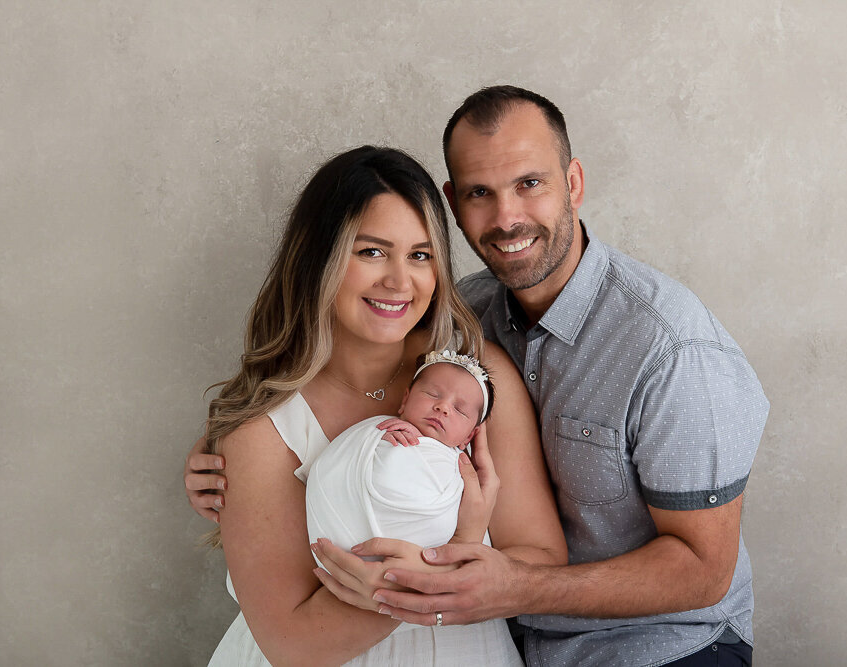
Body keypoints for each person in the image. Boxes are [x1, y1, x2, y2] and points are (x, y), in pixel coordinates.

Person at [188, 87, 770, 666]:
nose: (507, 216)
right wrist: (234, 455)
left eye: (530, 184)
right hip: (515, 640)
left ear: (573, 182)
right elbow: (292, 633)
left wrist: (442, 577)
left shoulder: (671, 349)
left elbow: (702, 568)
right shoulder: (469, 322)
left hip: (657, 647)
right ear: (455, 203)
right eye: (480, 193)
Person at [190, 145, 567, 666]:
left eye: (420, 255)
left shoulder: (473, 383)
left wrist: (408, 582)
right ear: (318, 258)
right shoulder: (259, 429)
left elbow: (541, 557)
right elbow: (293, 644)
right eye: (370, 252)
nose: (398, 281)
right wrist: (440, 568)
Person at [306, 350, 497, 568]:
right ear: (405, 400)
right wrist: (383, 442)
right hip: (345, 549)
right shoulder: (378, 432)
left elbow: (460, 516)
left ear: (469, 436)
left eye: (460, 410)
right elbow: (339, 466)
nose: (443, 407)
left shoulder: (461, 466)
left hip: (437, 561)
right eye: (433, 394)